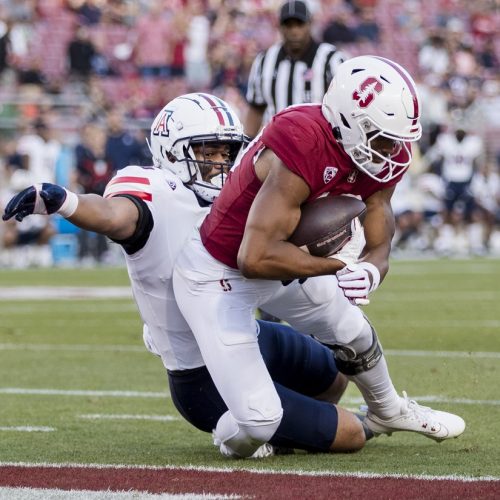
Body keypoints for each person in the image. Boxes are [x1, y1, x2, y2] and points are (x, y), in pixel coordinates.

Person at [3, 93, 367, 457]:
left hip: (245, 335)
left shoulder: (239, 196)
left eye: (227, 153)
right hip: (200, 374)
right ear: (173, 152)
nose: (222, 164)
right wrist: (66, 202)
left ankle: (275, 423)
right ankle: (246, 428)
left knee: (335, 374)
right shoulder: (158, 193)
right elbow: (111, 214)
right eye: (209, 152)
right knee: (352, 433)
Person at [172, 56, 466, 459]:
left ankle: (387, 410)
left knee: (353, 327)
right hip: (218, 272)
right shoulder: (302, 140)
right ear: (348, 121)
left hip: (280, 259)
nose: (392, 150)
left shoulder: (380, 152)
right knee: (257, 422)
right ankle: (229, 429)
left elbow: (380, 218)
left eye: (397, 140)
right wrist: (338, 266)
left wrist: (370, 271)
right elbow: (253, 259)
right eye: (382, 138)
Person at [244, 0, 346, 138]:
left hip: (319, 142)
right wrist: (246, 143)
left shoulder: (331, 58)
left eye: (299, 24)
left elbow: (343, 106)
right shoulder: (264, 60)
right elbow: (256, 108)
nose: (294, 31)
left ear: (310, 24)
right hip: (277, 143)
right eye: (289, 25)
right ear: (280, 26)